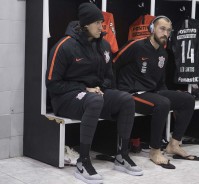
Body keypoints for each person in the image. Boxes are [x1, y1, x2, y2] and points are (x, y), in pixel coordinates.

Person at [46, 2, 143, 184]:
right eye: (98, 22)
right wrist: (85, 89)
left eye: (102, 22)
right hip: (65, 99)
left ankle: (122, 156)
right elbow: (52, 83)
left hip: (93, 96)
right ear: (85, 25)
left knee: (126, 100)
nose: (102, 26)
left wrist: (99, 87)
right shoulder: (65, 46)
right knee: (94, 101)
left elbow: (108, 76)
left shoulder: (103, 45)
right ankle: (83, 162)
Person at [113, 16, 199, 169]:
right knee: (163, 103)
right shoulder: (136, 45)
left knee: (187, 99)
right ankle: (154, 151)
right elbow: (114, 65)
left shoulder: (164, 53)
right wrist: (114, 93)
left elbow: (160, 83)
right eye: (162, 29)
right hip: (130, 93)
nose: (165, 33)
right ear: (152, 29)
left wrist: (172, 97)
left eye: (168, 30)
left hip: (151, 92)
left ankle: (174, 145)